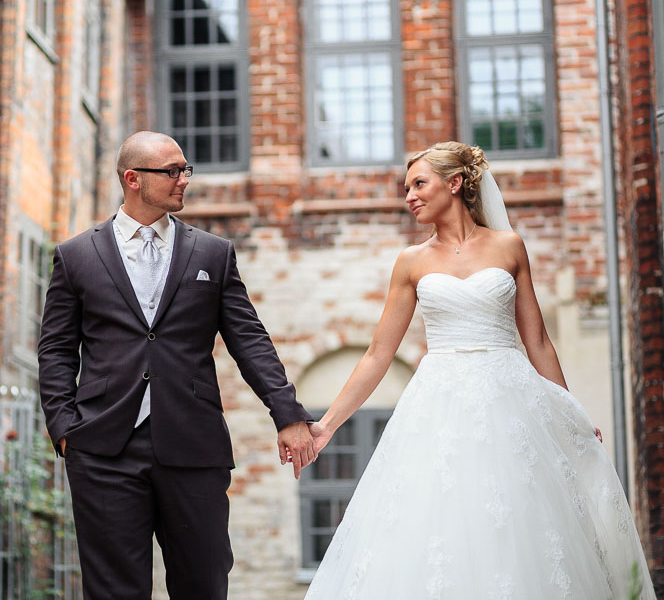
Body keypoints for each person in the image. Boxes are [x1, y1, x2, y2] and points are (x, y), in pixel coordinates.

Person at [304, 141, 655, 599]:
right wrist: (327, 425)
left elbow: (539, 342)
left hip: (510, 400)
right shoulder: (411, 262)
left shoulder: (509, 247)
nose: (408, 195)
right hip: (438, 404)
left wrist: (568, 413)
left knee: (518, 519)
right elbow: (377, 354)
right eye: (406, 187)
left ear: (454, 184)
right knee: (443, 518)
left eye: (418, 184)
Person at [38, 131, 317, 600]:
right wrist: (65, 427)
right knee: (113, 591)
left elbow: (249, 338)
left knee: (204, 584)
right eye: (171, 171)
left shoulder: (212, 253)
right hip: (103, 447)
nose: (183, 179)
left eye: (185, 169)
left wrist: (287, 413)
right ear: (133, 179)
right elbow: (56, 349)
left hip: (193, 443)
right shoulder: (76, 257)